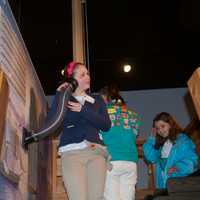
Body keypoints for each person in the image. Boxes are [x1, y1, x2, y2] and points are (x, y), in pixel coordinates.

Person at [47, 61, 111, 200]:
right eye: (82, 75)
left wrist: (83, 110)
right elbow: (51, 122)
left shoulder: (97, 99)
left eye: (87, 73)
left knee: (96, 197)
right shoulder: (64, 98)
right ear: (72, 80)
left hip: (96, 153)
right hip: (72, 153)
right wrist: (59, 95)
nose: (87, 76)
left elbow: (106, 125)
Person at [99, 85, 141, 200]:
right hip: (131, 162)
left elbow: (99, 137)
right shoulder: (133, 115)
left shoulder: (102, 114)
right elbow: (135, 134)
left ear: (105, 97)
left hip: (112, 161)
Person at [143, 112, 198, 198]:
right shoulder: (162, 146)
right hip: (164, 187)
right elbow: (151, 158)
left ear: (170, 124)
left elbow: (192, 159)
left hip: (179, 182)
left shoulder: (182, 140)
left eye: (163, 126)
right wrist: (151, 139)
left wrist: (178, 167)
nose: (160, 130)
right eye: (157, 128)